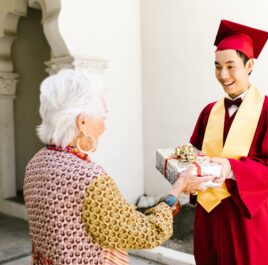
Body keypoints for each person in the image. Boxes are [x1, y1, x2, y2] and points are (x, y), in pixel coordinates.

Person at [23, 69, 212, 265]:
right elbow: (149, 232)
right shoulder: (89, 180)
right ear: (82, 122)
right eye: (103, 117)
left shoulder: (36, 163)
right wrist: (178, 187)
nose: (104, 126)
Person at [186, 19, 268, 265]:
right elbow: (194, 153)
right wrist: (184, 171)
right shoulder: (208, 112)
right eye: (217, 67)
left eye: (230, 66)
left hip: (250, 217)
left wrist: (232, 168)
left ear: (250, 65)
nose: (222, 75)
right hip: (211, 214)